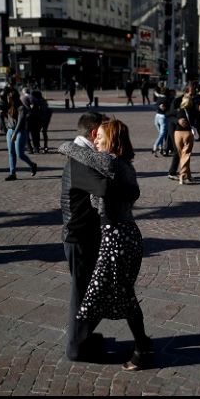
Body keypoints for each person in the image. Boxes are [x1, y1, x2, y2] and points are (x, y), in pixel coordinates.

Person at [58, 119, 153, 371]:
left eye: (100, 136)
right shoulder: (125, 165)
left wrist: (65, 146)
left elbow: (78, 152)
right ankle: (86, 340)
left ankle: (139, 348)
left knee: (118, 295)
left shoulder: (108, 161)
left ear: (112, 139)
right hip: (127, 233)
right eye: (94, 136)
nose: (95, 141)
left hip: (116, 236)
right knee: (116, 293)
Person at [57, 112, 109, 361]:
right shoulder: (81, 160)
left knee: (88, 291)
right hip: (80, 237)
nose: (104, 137)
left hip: (80, 235)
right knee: (82, 294)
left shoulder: (81, 156)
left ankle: (84, 337)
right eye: (102, 132)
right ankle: (76, 347)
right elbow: (105, 188)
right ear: (92, 133)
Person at [3, 92, 38, 181]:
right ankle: (12, 173)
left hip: (19, 132)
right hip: (10, 131)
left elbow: (20, 121)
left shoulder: (21, 108)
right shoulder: (9, 106)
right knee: (11, 153)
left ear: (13, 98)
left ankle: (32, 165)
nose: (7, 99)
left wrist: (15, 134)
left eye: (9, 98)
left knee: (20, 154)